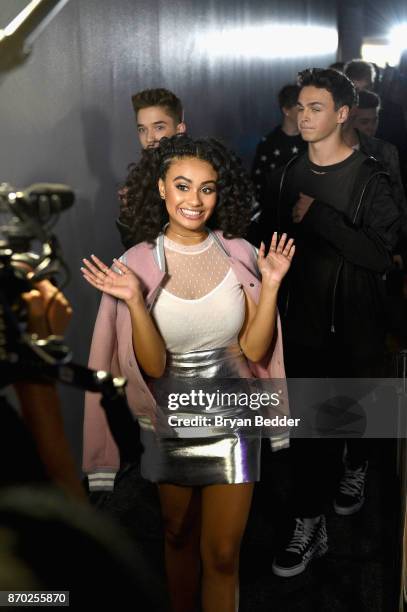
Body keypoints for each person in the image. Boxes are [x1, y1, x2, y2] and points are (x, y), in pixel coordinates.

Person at [81, 134, 295, 612]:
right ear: (161, 189)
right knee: (178, 534)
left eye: (207, 188)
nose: (194, 201)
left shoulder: (239, 253)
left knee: (221, 554)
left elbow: (256, 350)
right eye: (182, 186)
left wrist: (274, 284)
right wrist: (134, 299)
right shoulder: (135, 263)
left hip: (236, 415)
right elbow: (153, 366)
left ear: (221, 194)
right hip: (169, 418)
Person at [264, 68, 400, 578]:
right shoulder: (286, 174)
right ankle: (309, 523)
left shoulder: (372, 176)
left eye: (316, 108)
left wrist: (320, 216)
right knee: (310, 433)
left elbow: (380, 255)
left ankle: (357, 466)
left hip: (359, 323)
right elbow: (272, 243)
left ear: (343, 114)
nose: (304, 116)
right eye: (300, 107)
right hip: (303, 323)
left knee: (358, 413)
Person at [117, 88, 186, 248]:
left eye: (159, 127)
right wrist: (128, 215)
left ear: (180, 129)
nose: (149, 138)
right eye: (142, 129)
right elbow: (136, 248)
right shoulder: (139, 180)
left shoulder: (199, 174)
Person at [251, 84, 306, 217]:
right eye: (300, 109)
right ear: (286, 110)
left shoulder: (311, 142)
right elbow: (258, 182)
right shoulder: (269, 144)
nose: (306, 114)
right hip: (275, 215)